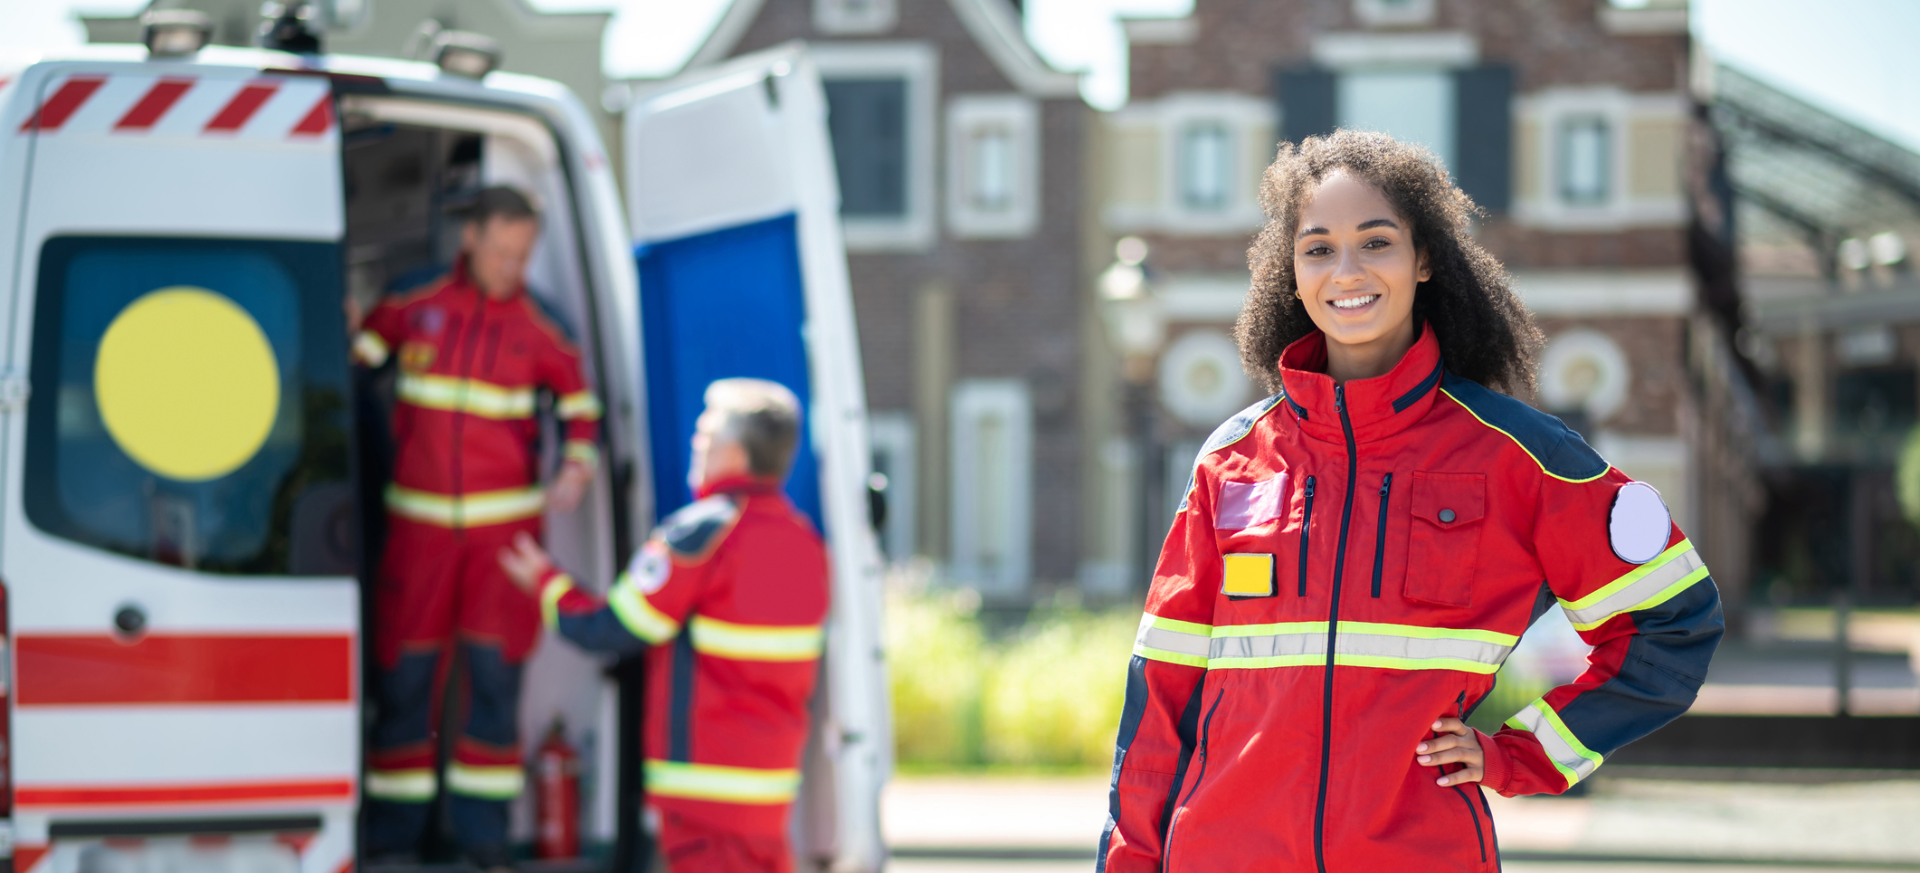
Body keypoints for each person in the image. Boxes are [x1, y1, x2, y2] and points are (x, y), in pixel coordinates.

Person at [1096, 130, 1723, 872]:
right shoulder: (1230, 460)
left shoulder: (1517, 455)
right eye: (1318, 248)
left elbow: (1673, 622)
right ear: (1290, 269)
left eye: (1376, 242)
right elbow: (1161, 695)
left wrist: (1521, 753)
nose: (1347, 271)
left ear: (1424, 258)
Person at [351, 186, 602, 868]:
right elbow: (357, 362)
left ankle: (483, 841)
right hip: (418, 535)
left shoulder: (543, 325)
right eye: (500, 252)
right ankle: (394, 838)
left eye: (522, 255)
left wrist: (576, 467)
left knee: (494, 685)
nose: (510, 267)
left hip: (503, 542)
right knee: (406, 682)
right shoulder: (415, 300)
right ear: (471, 239)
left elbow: (581, 411)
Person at [499, 378, 829, 873]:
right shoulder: (806, 544)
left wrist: (546, 583)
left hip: (703, 795)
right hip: (768, 791)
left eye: (706, 436)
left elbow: (611, 629)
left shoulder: (702, 535)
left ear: (735, 454)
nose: (697, 446)